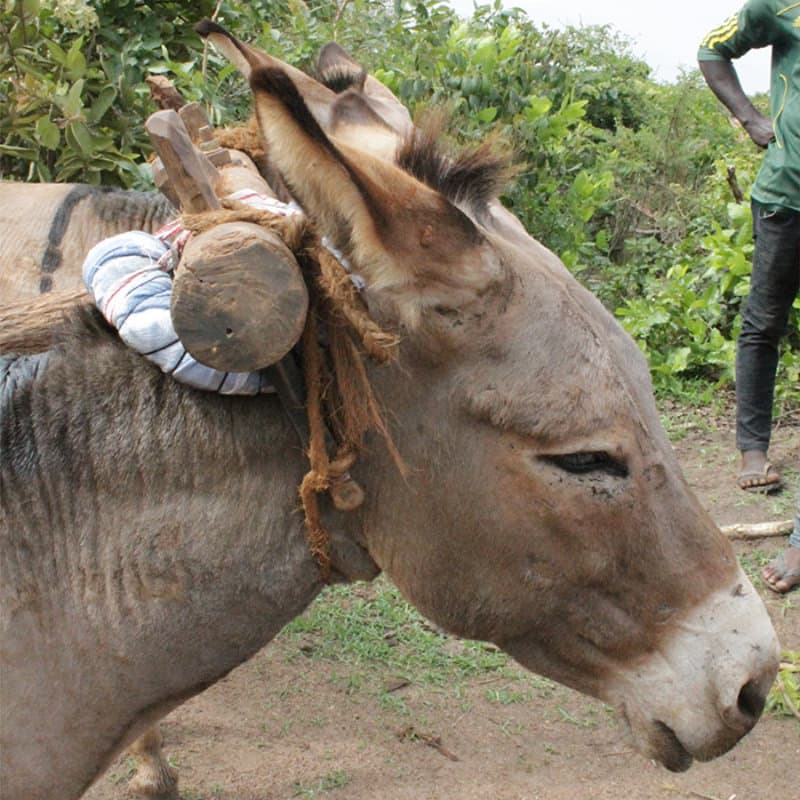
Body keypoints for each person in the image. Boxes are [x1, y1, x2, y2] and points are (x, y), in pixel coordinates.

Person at [698, 1, 800, 592]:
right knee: (763, 323)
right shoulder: (778, 5)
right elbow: (712, 49)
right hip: (786, 196)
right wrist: (750, 119)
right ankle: (752, 451)